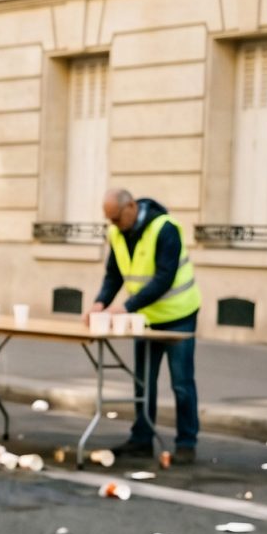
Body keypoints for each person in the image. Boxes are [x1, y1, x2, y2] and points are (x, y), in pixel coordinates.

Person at [89, 187, 202, 464]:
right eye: (110, 220)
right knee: (143, 383)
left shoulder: (165, 228)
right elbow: (113, 275)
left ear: (130, 207)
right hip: (146, 318)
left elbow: (164, 277)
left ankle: (186, 443)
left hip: (179, 316)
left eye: (116, 218)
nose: (113, 224)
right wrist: (100, 303)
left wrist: (125, 307)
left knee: (182, 384)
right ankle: (141, 438)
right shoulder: (117, 233)